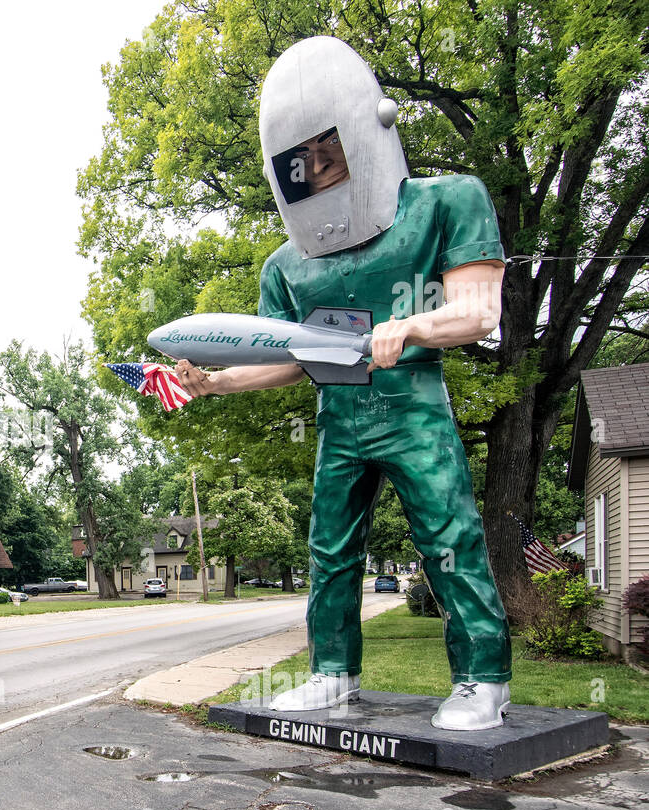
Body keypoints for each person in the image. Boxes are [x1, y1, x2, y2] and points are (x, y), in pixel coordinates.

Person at [175, 36, 511, 731]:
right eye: (300, 164)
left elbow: (479, 312)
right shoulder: (286, 266)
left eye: (328, 152)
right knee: (328, 550)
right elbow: (288, 356)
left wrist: (410, 329)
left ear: (365, 132)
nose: (316, 171)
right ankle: (333, 674)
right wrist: (213, 384)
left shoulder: (446, 203)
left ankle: (483, 678)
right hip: (341, 419)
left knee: (448, 537)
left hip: (413, 409)